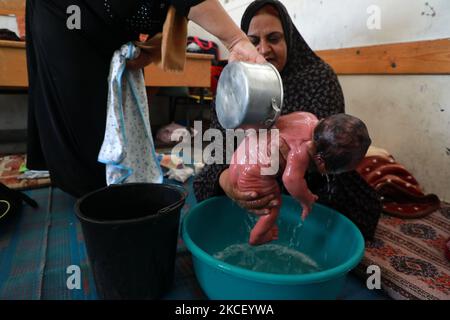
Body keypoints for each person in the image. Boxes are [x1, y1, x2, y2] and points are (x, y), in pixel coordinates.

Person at [25, 0, 265, 198]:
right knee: (82, 115)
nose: (264, 49)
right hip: (67, 14)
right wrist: (235, 39)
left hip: (110, 24)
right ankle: (90, 193)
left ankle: (107, 185)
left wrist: (146, 51)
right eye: (258, 40)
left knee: (114, 114)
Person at [194, 0, 382, 240]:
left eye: (273, 38)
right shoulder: (236, 85)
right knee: (205, 187)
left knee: (352, 198)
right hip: (248, 172)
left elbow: (329, 148)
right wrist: (230, 185)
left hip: (309, 178)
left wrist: (296, 170)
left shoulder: (318, 77)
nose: (263, 50)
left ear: (290, 40)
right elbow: (218, 149)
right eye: (253, 41)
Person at [229, 112, 372, 245]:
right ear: (321, 163)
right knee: (273, 204)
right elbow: (291, 180)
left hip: (237, 159)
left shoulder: (307, 117)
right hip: (250, 175)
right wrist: (306, 199)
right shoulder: (302, 150)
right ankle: (257, 236)